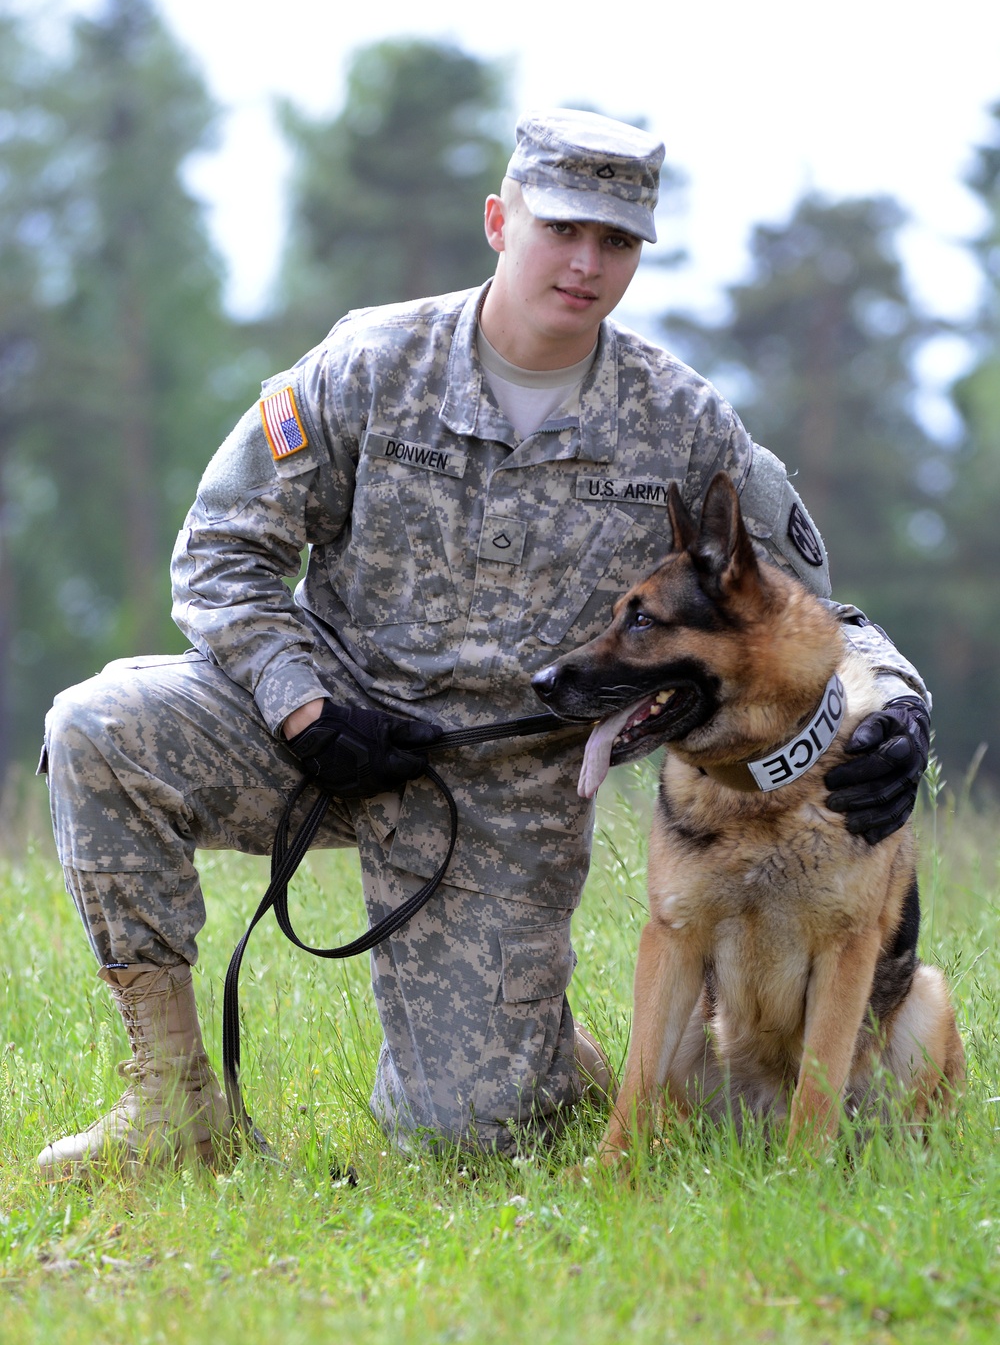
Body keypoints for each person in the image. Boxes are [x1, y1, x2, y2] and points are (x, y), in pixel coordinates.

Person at [36, 110, 930, 1177]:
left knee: (467, 1133)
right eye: (564, 230)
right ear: (501, 221)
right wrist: (300, 702)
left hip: (504, 789)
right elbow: (221, 551)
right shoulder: (369, 365)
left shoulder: (681, 421)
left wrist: (895, 700)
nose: (587, 264)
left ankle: (543, 1054)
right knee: (95, 725)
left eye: (619, 243)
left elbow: (808, 610)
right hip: (326, 727)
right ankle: (173, 1103)